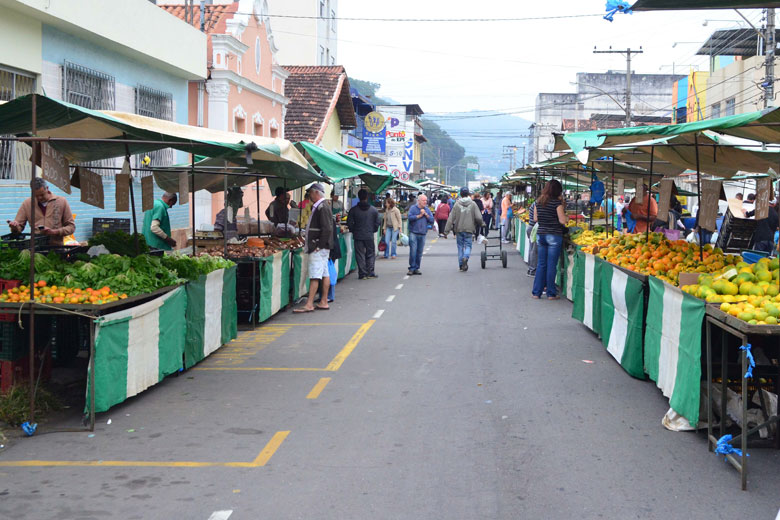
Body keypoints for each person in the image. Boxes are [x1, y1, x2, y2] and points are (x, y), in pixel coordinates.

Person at [294, 183, 333, 313]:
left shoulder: (321, 207)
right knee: (324, 273)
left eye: (310, 192)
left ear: (316, 192)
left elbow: (327, 228)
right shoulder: (321, 206)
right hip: (322, 247)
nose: (309, 195)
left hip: (318, 247)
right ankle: (323, 301)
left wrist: (319, 245)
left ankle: (309, 304)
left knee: (315, 275)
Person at [9, 177, 75, 246]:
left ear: (47, 188)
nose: (39, 198)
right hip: (36, 247)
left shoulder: (61, 202)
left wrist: (56, 231)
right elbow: (19, 227)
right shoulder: (27, 204)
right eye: (36, 195)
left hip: (56, 246)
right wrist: (14, 227)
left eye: (42, 194)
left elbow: (71, 227)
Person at [531, 180, 568, 300]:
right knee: (552, 264)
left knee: (541, 264)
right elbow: (563, 221)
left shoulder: (538, 202)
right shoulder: (557, 204)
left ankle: (536, 292)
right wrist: (564, 215)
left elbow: (535, 219)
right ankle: (551, 293)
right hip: (554, 236)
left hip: (541, 235)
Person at [444, 187, 484, 271]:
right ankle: (466, 257)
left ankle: (461, 265)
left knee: (460, 247)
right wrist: (482, 224)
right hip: (469, 229)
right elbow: (479, 217)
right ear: (469, 194)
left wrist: (446, 231)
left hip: (459, 229)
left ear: (460, 194)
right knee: (468, 245)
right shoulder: (473, 204)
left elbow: (451, 218)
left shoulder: (456, 204)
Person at [347, 189, 381, 280]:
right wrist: (373, 230)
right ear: (367, 197)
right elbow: (378, 222)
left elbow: (349, 223)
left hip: (358, 235)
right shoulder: (373, 210)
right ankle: (370, 272)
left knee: (360, 254)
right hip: (369, 235)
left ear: (358, 197)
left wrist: (353, 230)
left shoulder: (353, 210)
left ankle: (362, 273)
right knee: (370, 253)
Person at [407, 194, 434, 276]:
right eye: (423, 200)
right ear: (418, 201)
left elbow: (432, 220)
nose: (425, 202)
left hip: (423, 233)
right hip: (413, 233)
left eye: (426, 200)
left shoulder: (427, 209)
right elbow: (410, 218)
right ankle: (412, 268)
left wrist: (425, 214)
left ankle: (417, 268)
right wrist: (419, 215)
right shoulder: (413, 208)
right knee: (413, 251)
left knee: (419, 252)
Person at [526, 200, 538, 277]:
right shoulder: (538, 204)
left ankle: (530, 269)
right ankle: (532, 270)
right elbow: (536, 219)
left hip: (531, 227)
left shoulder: (536, 203)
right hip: (534, 228)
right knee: (534, 250)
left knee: (532, 249)